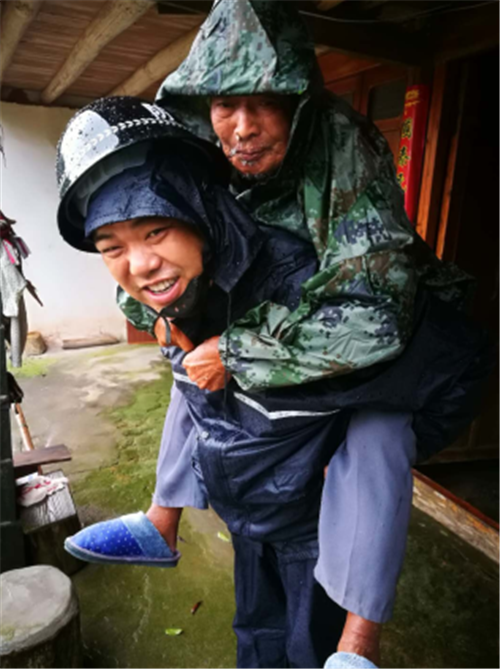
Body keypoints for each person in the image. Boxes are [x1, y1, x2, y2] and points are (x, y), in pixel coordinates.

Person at [57, 97, 490, 669]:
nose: (138, 266)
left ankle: (358, 642)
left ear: (200, 210)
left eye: (155, 231)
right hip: (251, 509)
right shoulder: (175, 292)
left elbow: (453, 361)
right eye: (112, 248)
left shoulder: (308, 278)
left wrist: (350, 451)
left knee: (375, 444)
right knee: (257, 637)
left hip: (314, 520)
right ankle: (163, 520)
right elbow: (200, 395)